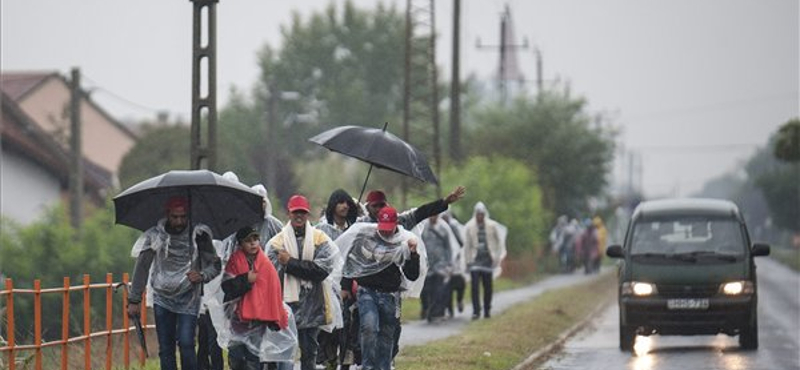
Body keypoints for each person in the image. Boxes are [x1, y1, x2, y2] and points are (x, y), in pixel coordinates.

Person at [127, 196, 222, 370]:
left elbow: (215, 265)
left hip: (189, 297)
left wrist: (202, 275)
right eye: (175, 217)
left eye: (183, 217)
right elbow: (142, 267)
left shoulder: (199, 235)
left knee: (186, 343)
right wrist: (134, 300)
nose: (179, 221)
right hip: (162, 297)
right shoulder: (156, 235)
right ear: (167, 215)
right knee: (166, 348)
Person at [337, 207, 424, 370]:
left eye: (388, 230)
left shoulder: (403, 241)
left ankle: (384, 366)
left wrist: (413, 254)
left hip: (390, 295)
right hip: (367, 291)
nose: (385, 234)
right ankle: (367, 366)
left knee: (387, 335)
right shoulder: (365, 237)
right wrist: (346, 286)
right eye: (382, 229)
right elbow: (352, 263)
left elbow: (412, 275)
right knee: (369, 327)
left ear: (395, 224)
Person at [266, 195, 342, 370]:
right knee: (284, 352)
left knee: (309, 352)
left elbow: (321, 271)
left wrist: (290, 263)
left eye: (302, 212)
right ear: (289, 214)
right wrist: (303, 267)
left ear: (308, 215)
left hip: (313, 306)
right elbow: (272, 276)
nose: (299, 216)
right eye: (295, 212)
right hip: (285, 306)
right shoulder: (276, 243)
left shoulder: (320, 239)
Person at [220, 226, 290, 370]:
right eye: (248, 241)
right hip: (237, 321)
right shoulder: (234, 261)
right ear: (240, 244)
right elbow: (227, 288)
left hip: (259, 321)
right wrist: (246, 279)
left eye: (255, 239)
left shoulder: (265, 264)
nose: (253, 243)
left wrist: (274, 318)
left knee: (254, 359)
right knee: (237, 357)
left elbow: (273, 291)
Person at [315, 189, 360, 370]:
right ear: (333, 205)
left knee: (348, 329)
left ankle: (346, 364)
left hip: (349, 287)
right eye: (341, 202)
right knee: (329, 329)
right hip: (327, 286)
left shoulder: (354, 231)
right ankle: (329, 361)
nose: (345, 206)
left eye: (347, 203)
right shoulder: (321, 230)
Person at [462, 202, 507, 320]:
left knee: (488, 287)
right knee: (475, 287)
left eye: (481, 214)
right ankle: (476, 311)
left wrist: (497, 257)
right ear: (475, 214)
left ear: (484, 214)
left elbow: (499, 242)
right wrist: (467, 261)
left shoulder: (492, 226)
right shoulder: (470, 227)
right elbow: (467, 245)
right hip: (475, 260)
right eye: (478, 214)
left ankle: (487, 309)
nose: (480, 216)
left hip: (488, 260)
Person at [419, 214, 455, 322]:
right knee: (427, 289)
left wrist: (449, 263)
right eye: (431, 215)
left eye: (435, 215)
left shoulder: (443, 228)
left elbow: (448, 247)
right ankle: (428, 309)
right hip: (428, 264)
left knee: (438, 289)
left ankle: (436, 312)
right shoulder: (424, 228)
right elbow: (420, 245)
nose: (433, 217)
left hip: (441, 264)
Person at [441, 210, 467, 317]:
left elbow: (461, 242)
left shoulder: (454, 227)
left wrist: (456, 252)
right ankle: (450, 310)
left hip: (455, 259)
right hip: (443, 261)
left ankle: (460, 300)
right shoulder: (439, 229)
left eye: (446, 218)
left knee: (460, 283)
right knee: (447, 286)